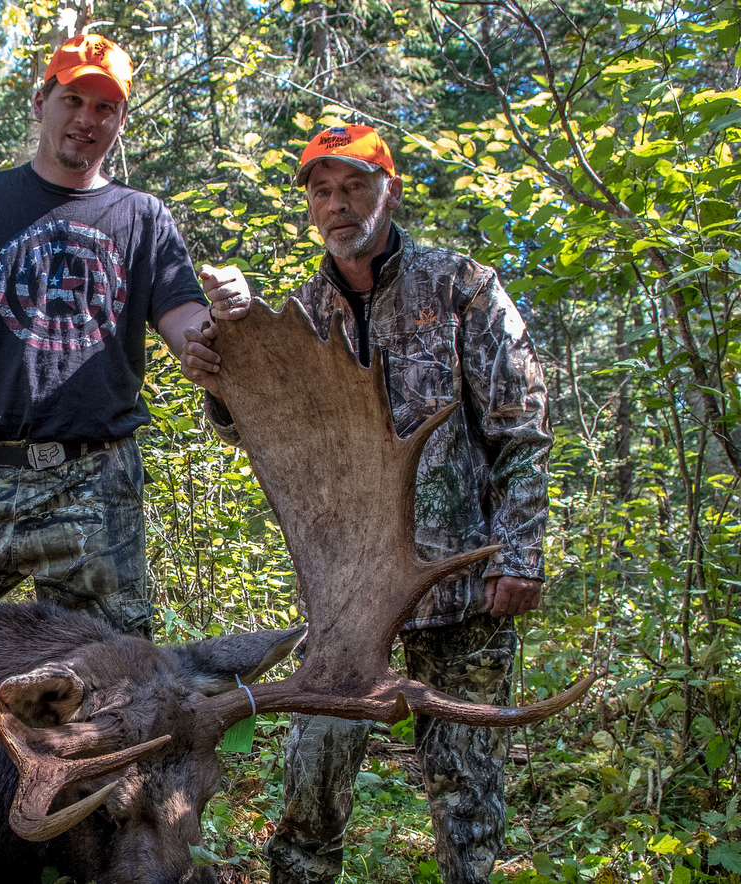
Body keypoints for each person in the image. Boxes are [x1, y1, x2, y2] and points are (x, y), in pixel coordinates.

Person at [181, 124, 553, 884]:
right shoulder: (303, 318)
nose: (337, 203)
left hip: (461, 589)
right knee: (311, 788)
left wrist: (518, 555)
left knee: (466, 799)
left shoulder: (462, 287)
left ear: (391, 190)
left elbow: (521, 430)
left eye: (355, 184)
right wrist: (224, 383)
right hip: (346, 598)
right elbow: (265, 437)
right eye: (321, 190)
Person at [0, 34, 250, 639]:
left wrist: (229, 311)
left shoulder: (142, 217)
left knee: (117, 683)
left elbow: (190, 329)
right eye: (73, 99)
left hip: (98, 479)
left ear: (118, 121)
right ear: (41, 103)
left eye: (104, 107)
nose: (86, 119)